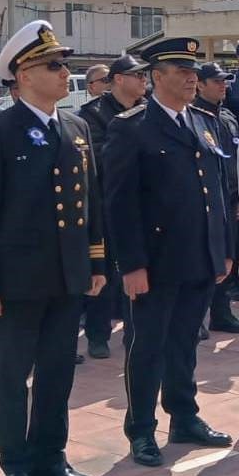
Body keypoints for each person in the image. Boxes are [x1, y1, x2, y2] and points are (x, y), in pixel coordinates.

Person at [0, 20, 107, 476]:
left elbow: (91, 201)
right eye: (54, 65)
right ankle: (16, 466)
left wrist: (95, 260)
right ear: (23, 75)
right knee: (12, 375)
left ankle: (51, 455)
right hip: (17, 280)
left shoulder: (76, 126)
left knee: (57, 372)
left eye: (65, 64)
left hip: (66, 276)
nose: (65, 72)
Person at [105, 36, 236, 467]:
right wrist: (132, 264)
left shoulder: (203, 121)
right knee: (147, 347)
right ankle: (141, 429)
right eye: (181, 72)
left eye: (193, 72)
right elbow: (120, 204)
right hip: (156, 262)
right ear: (155, 77)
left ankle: (184, 416)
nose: (190, 79)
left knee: (185, 343)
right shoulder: (132, 127)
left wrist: (223, 250)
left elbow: (215, 191)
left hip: (198, 256)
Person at [77, 54, 149, 359]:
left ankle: (136, 331)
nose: (143, 81)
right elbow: (95, 159)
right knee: (102, 273)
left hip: (142, 206)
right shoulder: (93, 113)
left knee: (139, 271)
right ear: (119, 79)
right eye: (137, 76)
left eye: (145, 76)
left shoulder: (148, 112)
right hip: (105, 205)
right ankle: (97, 334)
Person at [196, 63, 239, 333]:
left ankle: (221, 311)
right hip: (204, 200)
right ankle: (197, 318)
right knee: (204, 261)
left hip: (229, 197)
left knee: (228, 257)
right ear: (200, 84)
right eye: (216, 81)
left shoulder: (228, 116)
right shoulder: (194, 115)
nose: (223, 85)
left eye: (225, 81)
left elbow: (236, 158)